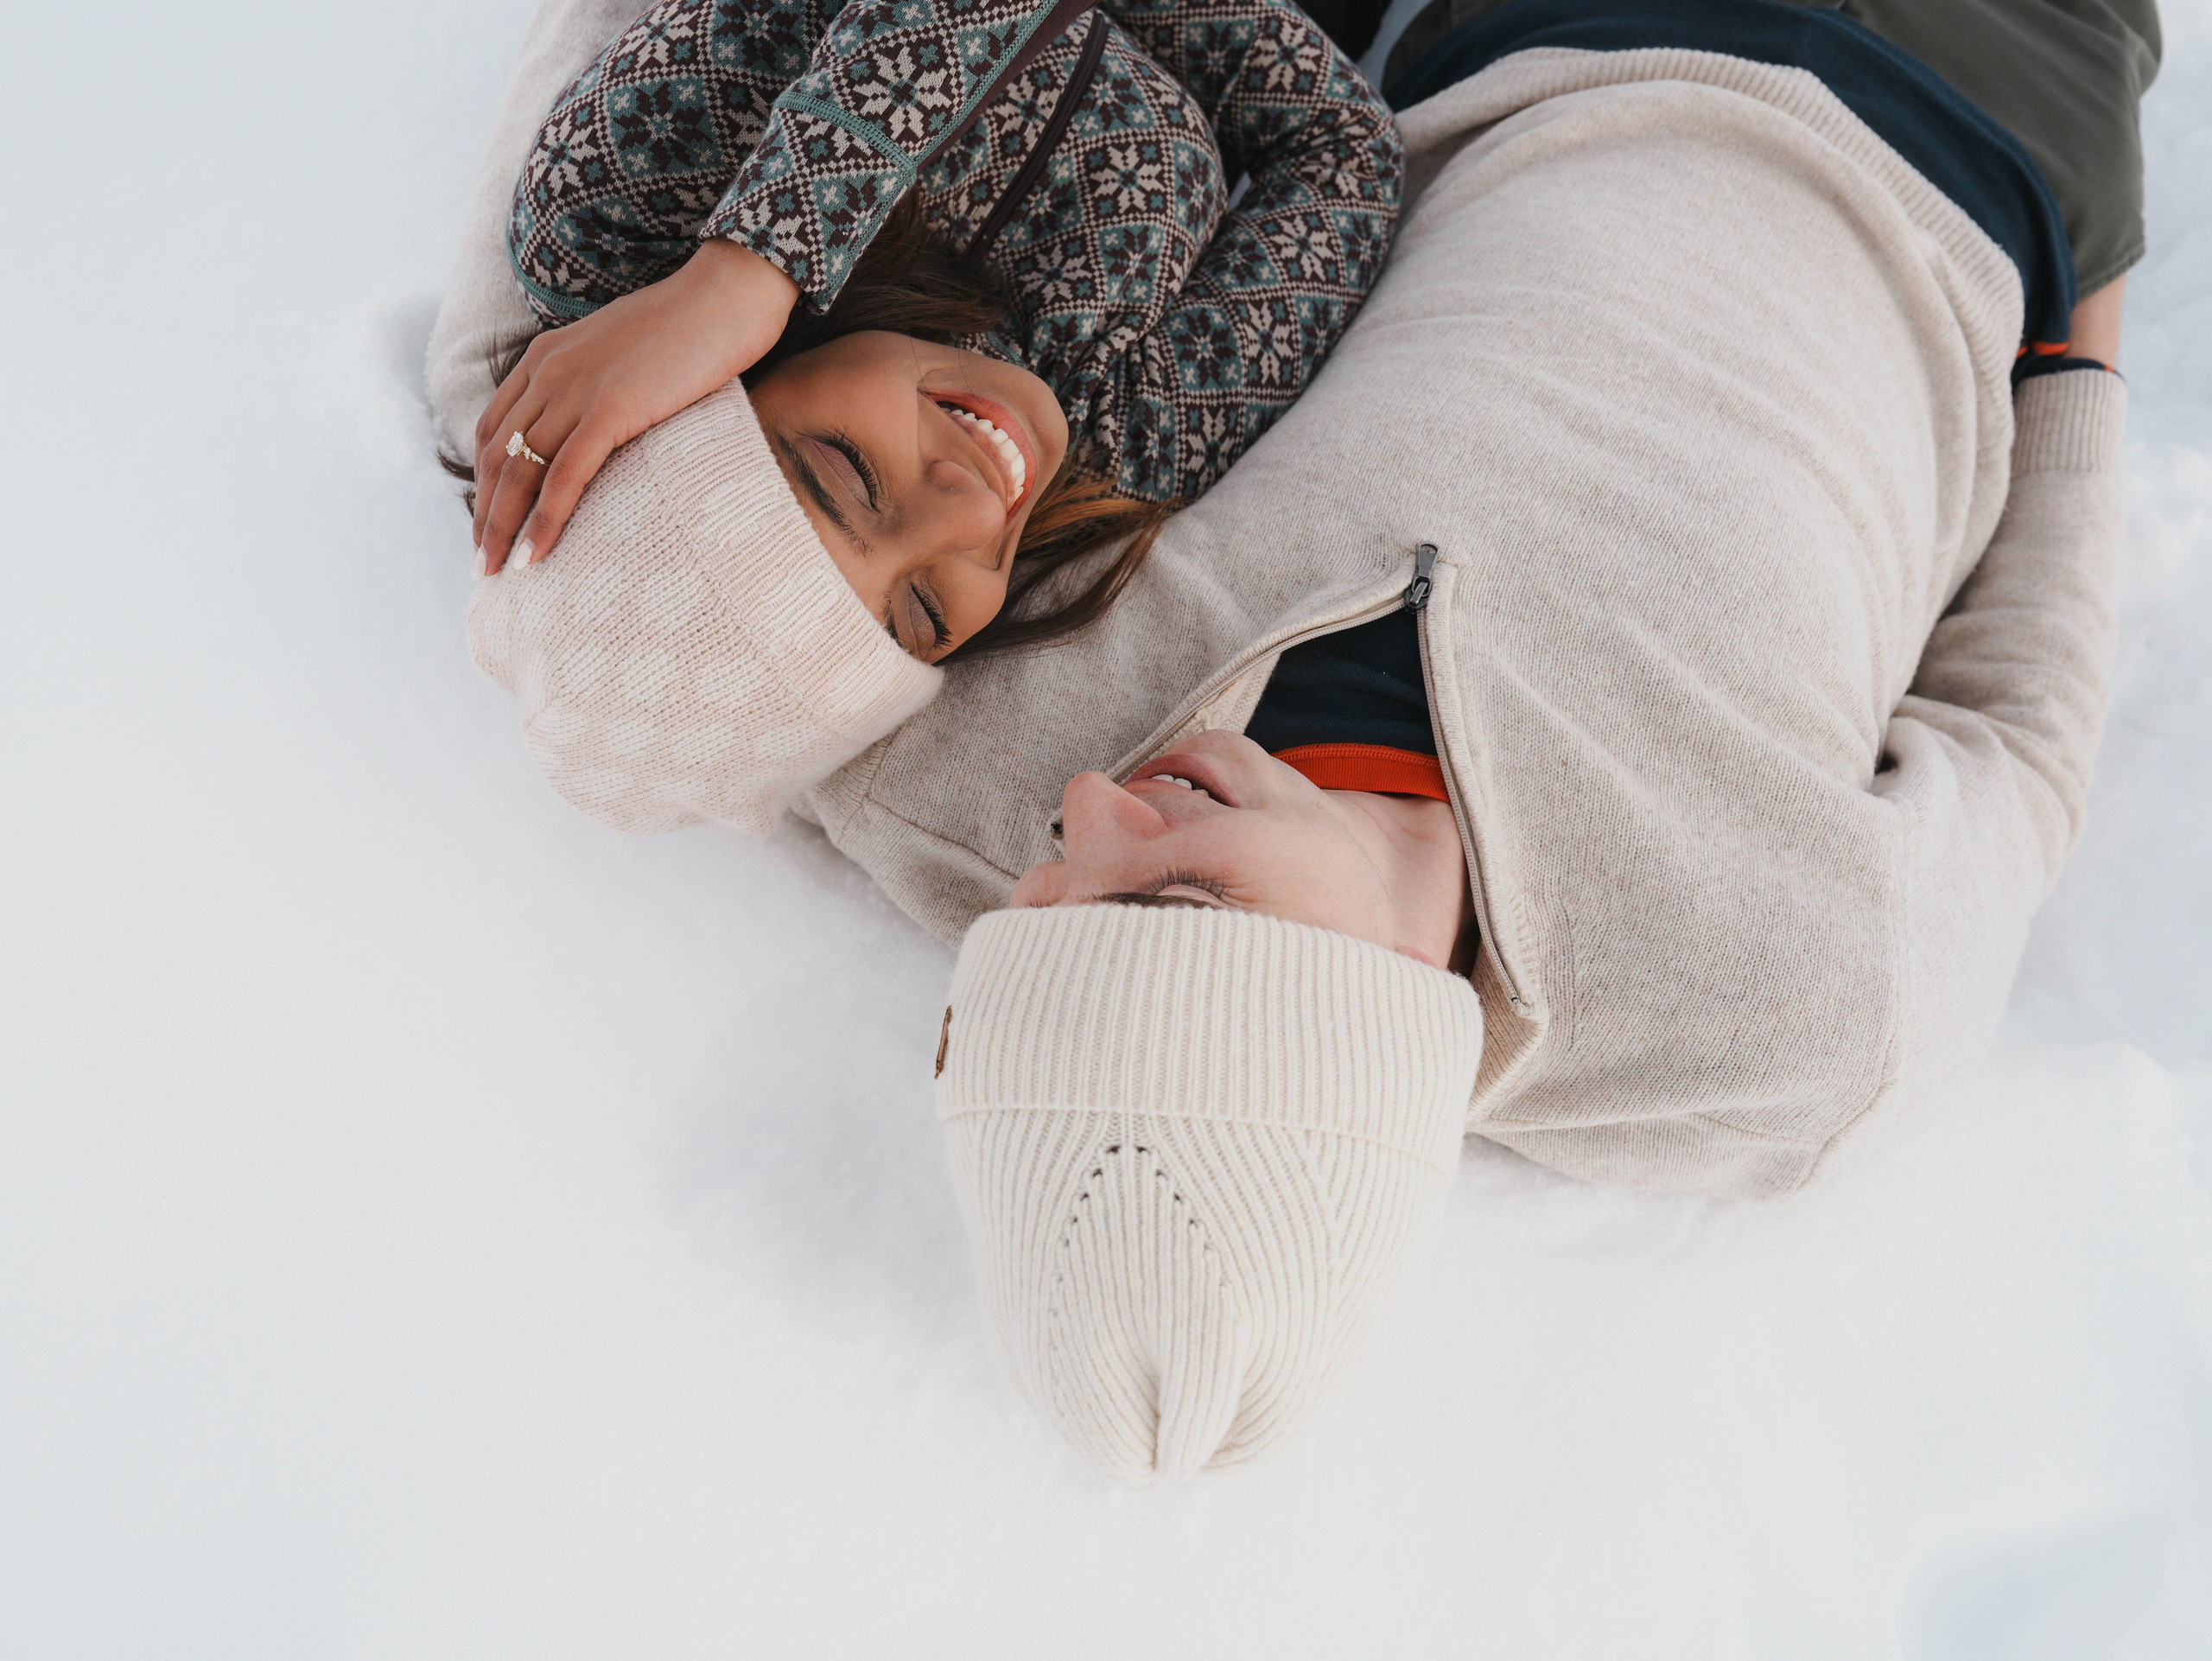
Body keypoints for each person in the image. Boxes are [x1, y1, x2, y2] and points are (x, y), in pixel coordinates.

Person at [467, 0, 2154, 1480]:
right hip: (1980, 137)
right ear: (1344, 1036)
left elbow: (638, 557)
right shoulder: (1787, 1031)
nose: (1089, 807)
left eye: (1038, 901)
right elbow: (2016, 730)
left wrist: (608, 345)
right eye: (1167, 900)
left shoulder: (979, 767)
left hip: (1534, 35)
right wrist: (2078, 342)